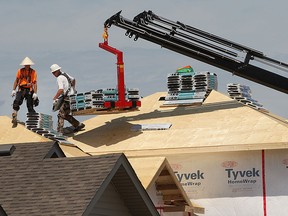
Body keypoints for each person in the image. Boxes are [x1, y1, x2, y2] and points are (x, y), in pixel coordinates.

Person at [50, 63, 85, 134]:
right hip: (73, 97)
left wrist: (55, 98)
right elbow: (73, 79)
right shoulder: (65, 74)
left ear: (56, 71)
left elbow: (61, 90)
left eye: (54, 73)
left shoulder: (59, 78)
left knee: (60, 114)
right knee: (65, 114)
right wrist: (73, 88)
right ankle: (78, 125)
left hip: (67, 98)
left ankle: (59, 131)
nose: (53, 74)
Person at [11, 57, 38, 128]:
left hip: (29, 90)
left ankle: (33, 122)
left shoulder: (33, 72)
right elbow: (16, 80)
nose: (27, 65)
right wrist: (13, 89)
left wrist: (35, 93)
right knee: (16, 102)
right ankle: (14, 115)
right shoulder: (20, 71)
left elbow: (34, 83)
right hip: (21, 89)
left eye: (28, 64)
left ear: (30, 65)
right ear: (24, 65)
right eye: (25, 64)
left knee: (30, 106)